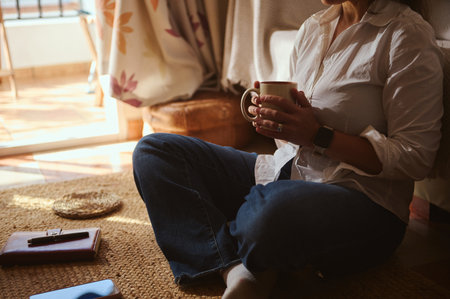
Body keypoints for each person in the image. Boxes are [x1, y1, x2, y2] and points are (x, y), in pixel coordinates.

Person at [132, 0, 444, 298]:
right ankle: (236, 270)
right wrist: (279, 123)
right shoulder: (314, 28)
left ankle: (237, 235)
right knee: (154, 152)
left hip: (363, 200)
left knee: (265, 216)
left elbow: (416, 157)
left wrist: (318, 135)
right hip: (285, 173)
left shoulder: (405, 35)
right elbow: (294, 141)